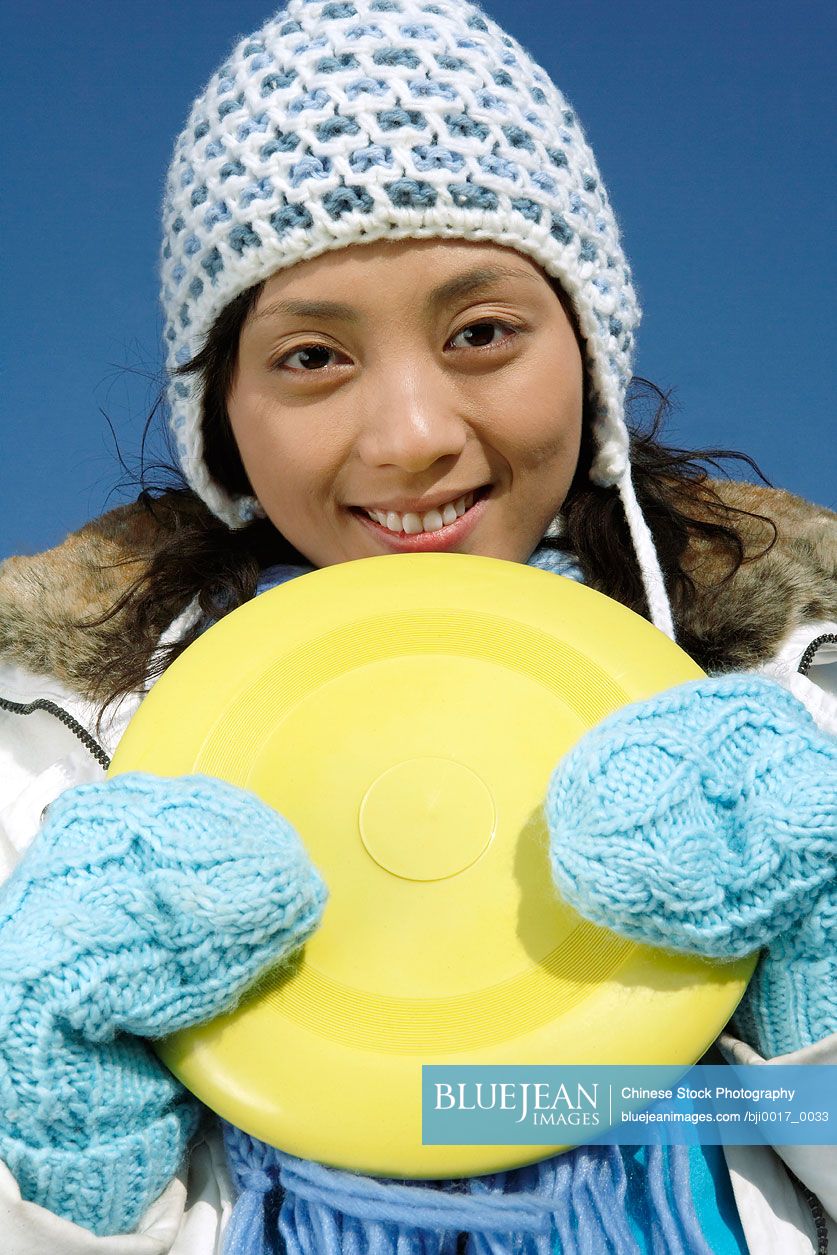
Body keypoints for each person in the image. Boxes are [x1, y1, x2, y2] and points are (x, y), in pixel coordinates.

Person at [0, 0, 835, 1251]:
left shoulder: (800, 711)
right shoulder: (49, 774)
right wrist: (58, 1146)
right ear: (222, 408)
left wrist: (816, 968)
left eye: (482, 332)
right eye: (312, 357)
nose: (411, 435)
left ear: (589, 349)